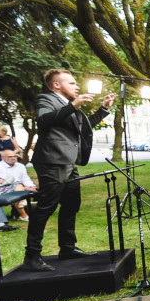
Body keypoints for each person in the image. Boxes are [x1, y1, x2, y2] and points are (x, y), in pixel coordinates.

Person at [23, 69, 116, 271]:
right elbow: (44, 121)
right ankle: (31, 255)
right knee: (46, 206)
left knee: (72, 203)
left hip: (69, 162)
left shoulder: (69, 106)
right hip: (52, 161)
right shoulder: (46, 99)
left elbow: (84, 128)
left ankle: (67, 248)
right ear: (57, 85)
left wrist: (103, 109)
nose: (76, 86)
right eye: (72, 83)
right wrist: (74, 105)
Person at [0, 149, 36, 220]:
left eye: (15, 156)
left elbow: (25, 178)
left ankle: (25, 213)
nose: (13, 158)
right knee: (18, 187)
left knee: (35, 189)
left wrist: (31, 186)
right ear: (2, 158)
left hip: (18, 187)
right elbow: (4, 182)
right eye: (10, 157)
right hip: (1, 188)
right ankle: (23, 213)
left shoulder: (20, 166)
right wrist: (25, 188)